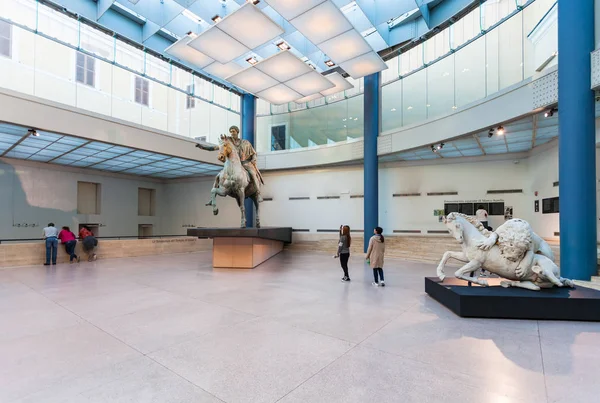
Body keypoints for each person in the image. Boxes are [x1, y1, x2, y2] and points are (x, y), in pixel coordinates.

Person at [195, 125, 264, 202]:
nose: (232, 133)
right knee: (218, 176)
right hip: (233, 164)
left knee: (253, 174)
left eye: (233, 131)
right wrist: (202, 147)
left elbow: (254, 153)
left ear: (237, 132)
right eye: (230, 132)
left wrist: (254, 159)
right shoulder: (228, 142)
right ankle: (213, 197)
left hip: (245, 163)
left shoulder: (245, 143)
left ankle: (258, 193)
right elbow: (215, 148)